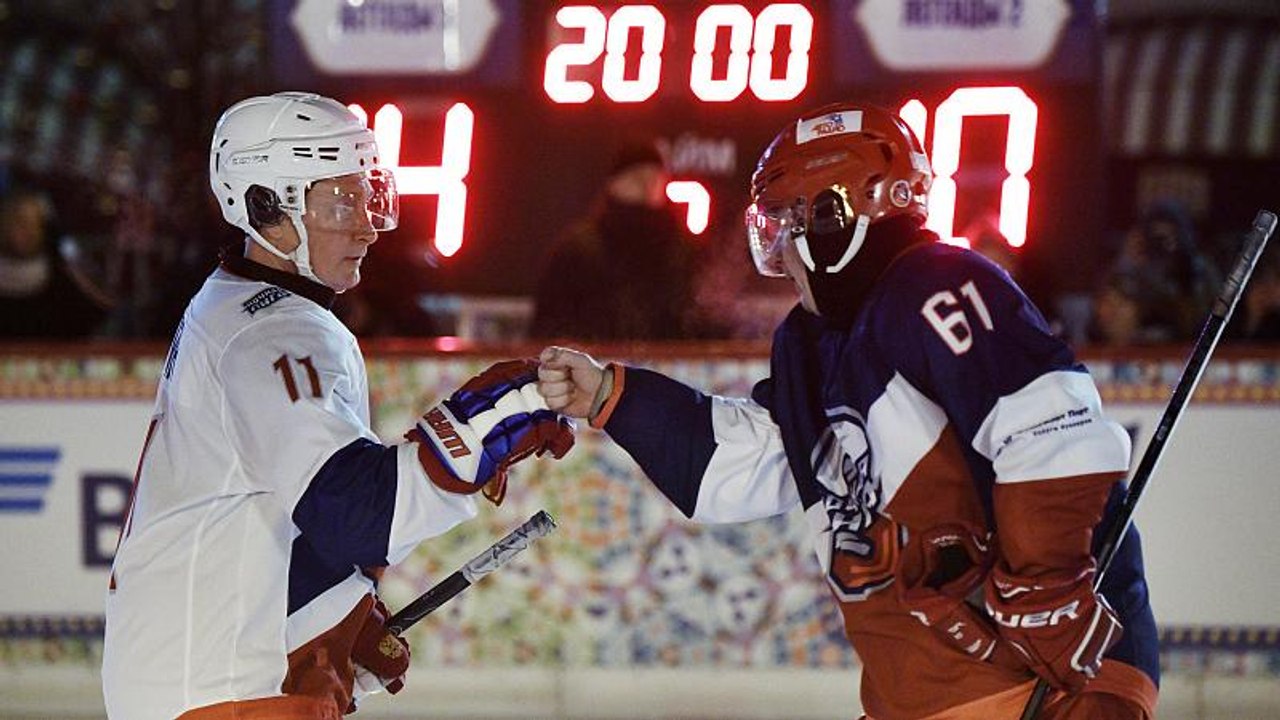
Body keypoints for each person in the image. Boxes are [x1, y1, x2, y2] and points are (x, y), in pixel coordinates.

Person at [537, 104, 1158, 719]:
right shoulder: (809, 343)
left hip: (1052, 680)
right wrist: (610, 398)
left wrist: (1047, 589)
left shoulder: (939, 284)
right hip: (931, 690)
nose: (778, 254)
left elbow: (1052, 429)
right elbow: (740, 462)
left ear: (839, 216)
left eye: (789, 221)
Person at [101, 92, 573, 720]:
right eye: (340, 200)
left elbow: (267, 512)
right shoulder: (271, 333)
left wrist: (335, 616)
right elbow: (355, 513)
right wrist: (484, 420)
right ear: (267, 208)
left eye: (368, 194)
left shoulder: (237, 307)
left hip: (196, 683)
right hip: (219, 694)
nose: (367, 224)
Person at [529, 139, 703, 340]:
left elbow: (698, 318)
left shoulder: (682, 252)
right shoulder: (577, 251)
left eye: (654, 178)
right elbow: (549, 327)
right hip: (596, 366)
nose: (646, 187)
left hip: (665, 368)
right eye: (637, 177)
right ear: (614, 183)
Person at [0, 187, 110, 338]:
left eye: (37, 224)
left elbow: (99, 310)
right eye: (21, 222)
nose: (30, 231)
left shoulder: (60, 276)